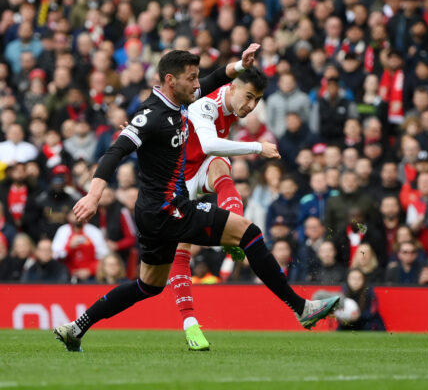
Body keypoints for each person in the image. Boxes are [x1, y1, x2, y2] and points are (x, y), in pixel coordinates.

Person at [54, 49, 339, 353]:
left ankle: (77, 327)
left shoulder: (179, 98)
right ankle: (300, 308)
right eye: (191, 79)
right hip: (170, 210)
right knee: (249, 233)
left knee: (148, 286)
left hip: (152, 213)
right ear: (170, 80)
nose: (197, 85)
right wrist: (94, 194)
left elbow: (216, 78)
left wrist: (240, 65)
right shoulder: (151, 116)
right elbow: (114, 153)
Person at [168, 66, 280, 348]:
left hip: (199, 169)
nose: (251, 105)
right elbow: (207, 143)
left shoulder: (233, 105)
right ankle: (191, 325)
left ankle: (236, 232)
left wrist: (242, 63)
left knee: (222, 167)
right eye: (249, 97)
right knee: (176, 254)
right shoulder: (206, 103)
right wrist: (257, 147)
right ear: (232, 88)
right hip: (176, 180)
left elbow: (227, 72)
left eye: (257, 100)